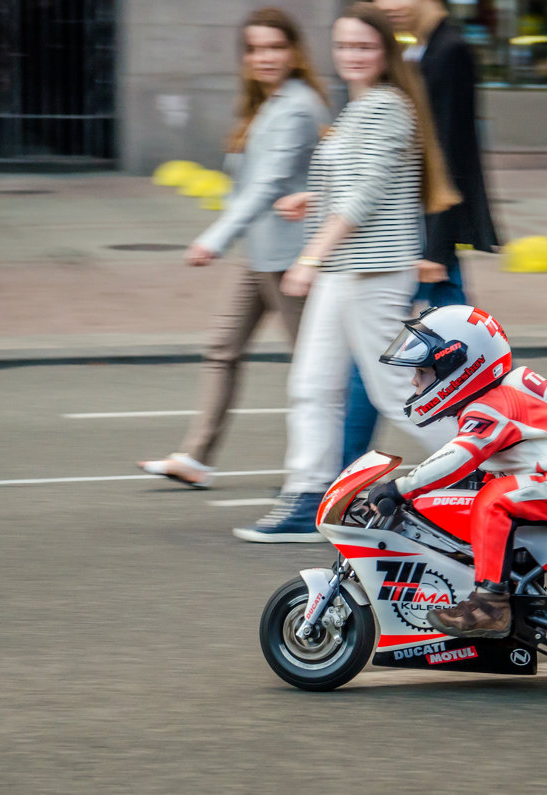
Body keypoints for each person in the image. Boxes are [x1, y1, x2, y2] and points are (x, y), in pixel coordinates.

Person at [233, 3, 461, 543]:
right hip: (345, 267)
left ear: (384, 52)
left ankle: (484, 463)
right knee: (312, 384)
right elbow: (357, 182)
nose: (351, 56)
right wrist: (311, 199)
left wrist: (309, 258)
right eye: (343, 47)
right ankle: (309, 496)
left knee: (391, 391)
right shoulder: (358, 107)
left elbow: (365, 195)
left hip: (372, 270)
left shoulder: (386, 105)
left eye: (363, 47)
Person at [138, 8, 328, 488]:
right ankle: (196, 457)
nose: (265, 57)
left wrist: (214, 238)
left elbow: (264, 186)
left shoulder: (299, 106)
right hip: (260, 255)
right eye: (255, 49)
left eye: (275, 47)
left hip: (289, 261)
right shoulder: (267, 102)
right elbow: (247, 182)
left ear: (294, 52)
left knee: (314, 372)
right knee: (222, 350)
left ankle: (328, 469)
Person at [365, 305, 547, 637]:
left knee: (494, 500)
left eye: (422, 372)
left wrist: (401, 489)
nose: (413, 381)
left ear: (458, 368)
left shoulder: (490, 406)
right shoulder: (509, 389)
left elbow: (457, 458)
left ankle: (491, 606)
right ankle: (508, 585)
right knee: (477, 496)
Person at [338, 0, 501, 468]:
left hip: (426, 239)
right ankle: (485, 453)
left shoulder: (449, 50)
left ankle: (484, 458)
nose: (387, 5)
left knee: (432, 359)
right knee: (438, 357)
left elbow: (446, 152)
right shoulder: (424, 49)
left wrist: (435, 246)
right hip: (420, 236)